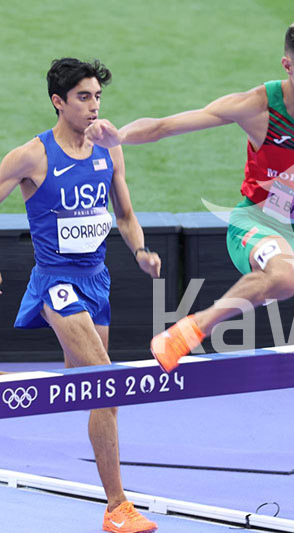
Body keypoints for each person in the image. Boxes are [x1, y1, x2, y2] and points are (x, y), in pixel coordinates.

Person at [86, 16, 294, 528]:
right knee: (286, 277)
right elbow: (172, 124)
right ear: (288, 67)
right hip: (255, 225)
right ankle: (189, 330)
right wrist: (117, 135)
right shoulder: (258, 107)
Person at [0, 58, 160, 533]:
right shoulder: (33, 156)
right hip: (56, 282)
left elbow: (125, 213)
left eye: (98, 97)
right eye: (83, 98)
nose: (94, 107)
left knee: (84, 388)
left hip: (97, 280)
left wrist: (142, 251)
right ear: (58, 101)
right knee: (106, 385)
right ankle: (117, 507)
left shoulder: (108, 149)